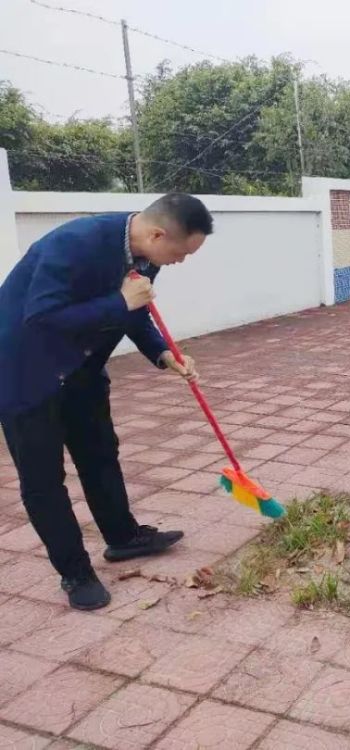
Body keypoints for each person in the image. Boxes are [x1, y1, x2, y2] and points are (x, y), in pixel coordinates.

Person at [0, 193, 213, 610]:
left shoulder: (145, 254)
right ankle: (75, 573)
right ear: (156, 234)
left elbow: (136, 310)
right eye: (181, 253)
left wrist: (163, 353)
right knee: (44, 481)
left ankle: (123, 538)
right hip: (24, 372)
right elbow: (41, 318)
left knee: (100, 454)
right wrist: (119, 301)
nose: (181, 262)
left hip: (81, 368)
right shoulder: (73, 244)